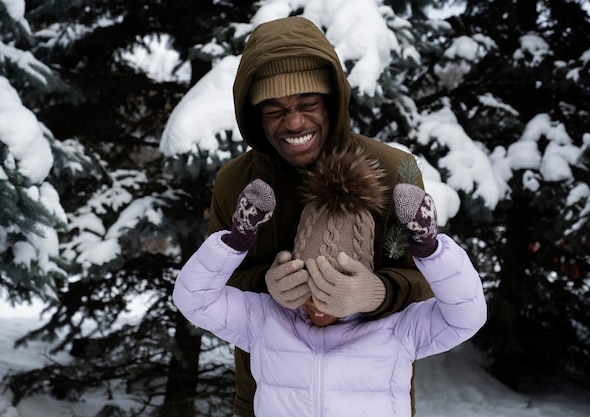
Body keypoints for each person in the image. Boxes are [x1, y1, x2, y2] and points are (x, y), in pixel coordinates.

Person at [206, 15, 435, 417]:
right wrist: (266, 283)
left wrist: (375, 293)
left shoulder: (394, 171)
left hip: (372, 402)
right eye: (274, 110)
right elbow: (211, 286)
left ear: (333, 101)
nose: (294, 122)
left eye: (308, 104)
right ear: (253, 114)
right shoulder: (236, 183)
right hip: (267, 398)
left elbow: (434, 286)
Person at [173, 149, 487, 416]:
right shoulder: (265, 320)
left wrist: (430, 248)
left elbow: (466, 316)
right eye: (308, 284)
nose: (317, 302)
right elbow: (194, 300)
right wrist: (236, 240)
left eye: (331, 287)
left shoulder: (398, 330)